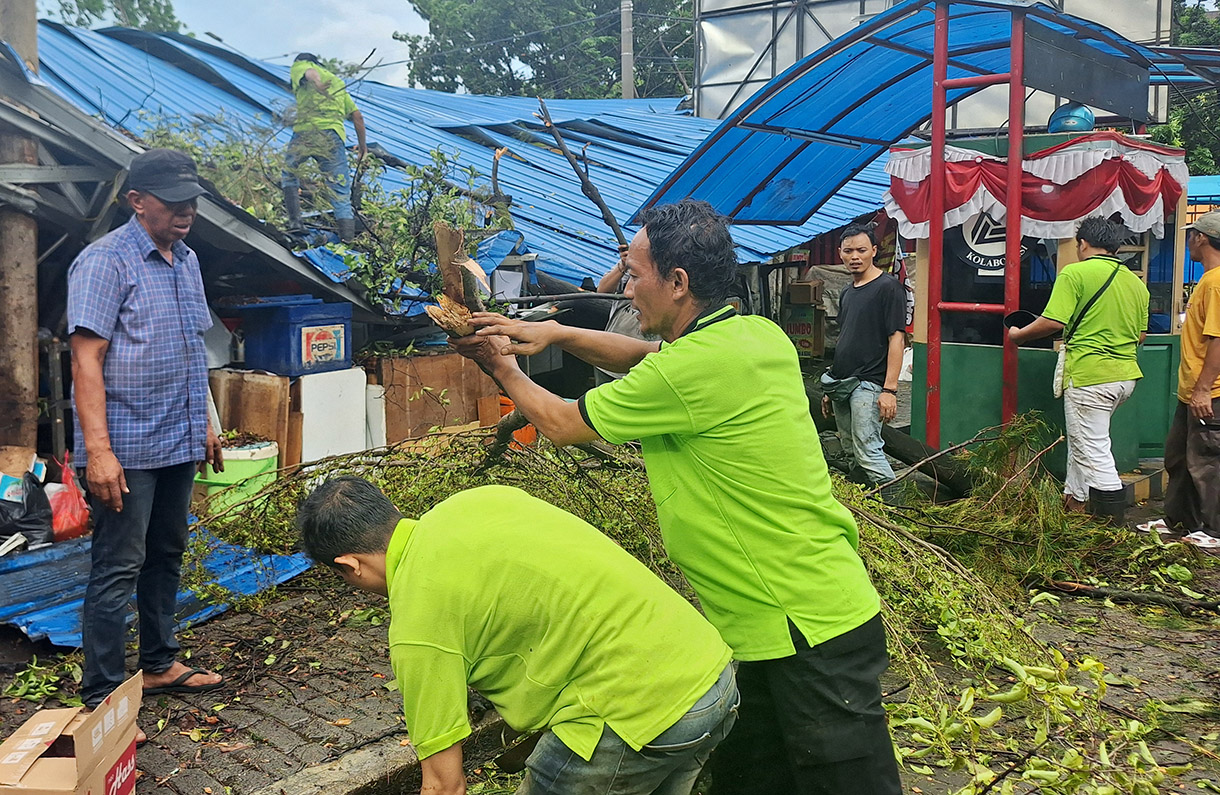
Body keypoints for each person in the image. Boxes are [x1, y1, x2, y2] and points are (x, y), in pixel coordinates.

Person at [454, 199, 901, 795]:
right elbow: (647, 356)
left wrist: (503, 368)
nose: (627, 290)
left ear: (679, 282)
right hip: (783, 620)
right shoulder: (753, 336)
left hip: (801, 627)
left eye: (635, 276)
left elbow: (560, 423)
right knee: (750, 779)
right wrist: (555, 332)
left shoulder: (687, 372)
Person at [297, 477, 738, 795]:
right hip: (713, 675)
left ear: (350, 565)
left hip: (640, 717)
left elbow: (444, 785)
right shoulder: (482, 500)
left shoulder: (418, 625)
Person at [69, 149, 226, 734]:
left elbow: (194, 348)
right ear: (137, 201)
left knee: (166, 553)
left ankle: (158, 664)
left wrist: (206, 420)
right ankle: (104, 696)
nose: (186, 212)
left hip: (179, 437)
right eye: (173, 201)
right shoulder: (104, 262)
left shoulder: (186, 260)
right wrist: (99, 452)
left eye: (191, 202)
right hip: (126, 447)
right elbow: (86, 359)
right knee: (117, 566)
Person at [1009, 217, 1149, 524]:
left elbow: (1053, 322)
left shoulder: (1075, 273)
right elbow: (1140, 336)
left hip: (1090, 377)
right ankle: (1076, 501)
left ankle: (1112, 525)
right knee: (1083, 442)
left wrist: (1019, 335)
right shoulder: (1135, 283)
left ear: (1082, 244)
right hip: (1125, 377)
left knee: (1094, 449)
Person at [819, 224, 906, 494]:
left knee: (868, 449)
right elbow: (847, 338)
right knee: (849, 447)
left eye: (861, 250)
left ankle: (900, 510)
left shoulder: (888, 287)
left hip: (868, 384)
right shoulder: (847, 292)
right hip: (842, 383)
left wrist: (889, 390)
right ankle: (868, 508)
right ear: (840, 254)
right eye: (848, 251)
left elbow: (897, 338)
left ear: (874, 252)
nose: (854, 256)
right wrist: (831, 384)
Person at [1165, 211, 1220, 540]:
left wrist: (1202, 390)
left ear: (1202, 237)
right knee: (1179, 458)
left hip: (1208, 393)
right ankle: (1181, 522)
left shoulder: (1215, 284)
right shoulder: (1207, 280)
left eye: (1191, 235)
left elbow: (1218, 339)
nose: (1188, 242)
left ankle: (1212, 532)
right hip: (1192, 393)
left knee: (1207, 463)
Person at [281, 52, 367, 241]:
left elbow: (310, 72)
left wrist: (317, 84)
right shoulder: (337, 82)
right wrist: (363, 148)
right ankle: (347, 241)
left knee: (289, 174)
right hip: (332, 136)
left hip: (306, 132)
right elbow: (357, 116)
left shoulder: (301, 65)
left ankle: (295, 223)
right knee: (340, 192)